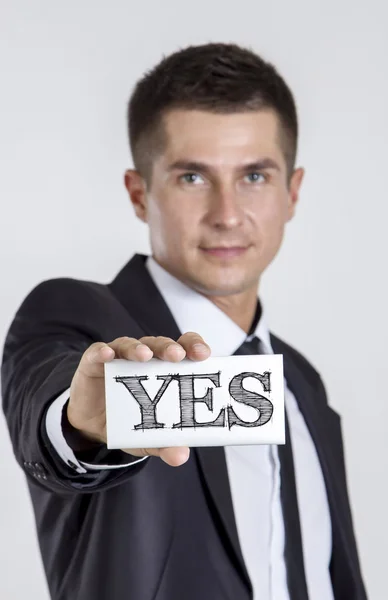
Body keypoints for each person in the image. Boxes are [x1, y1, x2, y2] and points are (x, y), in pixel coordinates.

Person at [1, 42, 367, 600]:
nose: (226, 214)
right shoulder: (77, 321)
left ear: (292, 193)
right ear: (139, 192)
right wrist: (85, 423)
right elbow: (49, 417)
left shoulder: (303, 383)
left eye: (255, 176)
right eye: (192, 177)